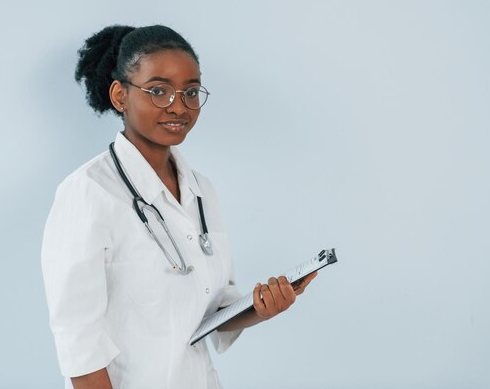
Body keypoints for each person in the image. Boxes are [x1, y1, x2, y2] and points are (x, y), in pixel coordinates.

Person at [41, 24, 317, 389]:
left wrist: (260, 307)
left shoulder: (202, 190)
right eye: (159, 91)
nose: (179, 106)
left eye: (190, 92)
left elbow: (212, 310)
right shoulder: (88, 193)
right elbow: (78, 342)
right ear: (120, 95)